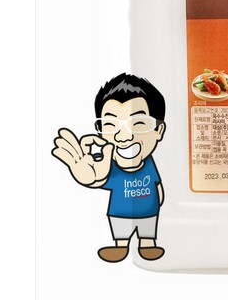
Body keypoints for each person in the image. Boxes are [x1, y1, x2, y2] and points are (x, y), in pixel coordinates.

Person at [52, 73, 166, 262]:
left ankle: (147, 244)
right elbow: (98, 178)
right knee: (121, 231)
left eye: (138, 123)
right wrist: (87, 177)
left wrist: (159, 199)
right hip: (119, 212)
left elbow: (157, 184)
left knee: (147, 231)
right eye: (111, 124)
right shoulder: (105, 163)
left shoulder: (149, 162)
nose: (124, 136)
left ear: (158, 130)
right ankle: (120, 246)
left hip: (149, 212)